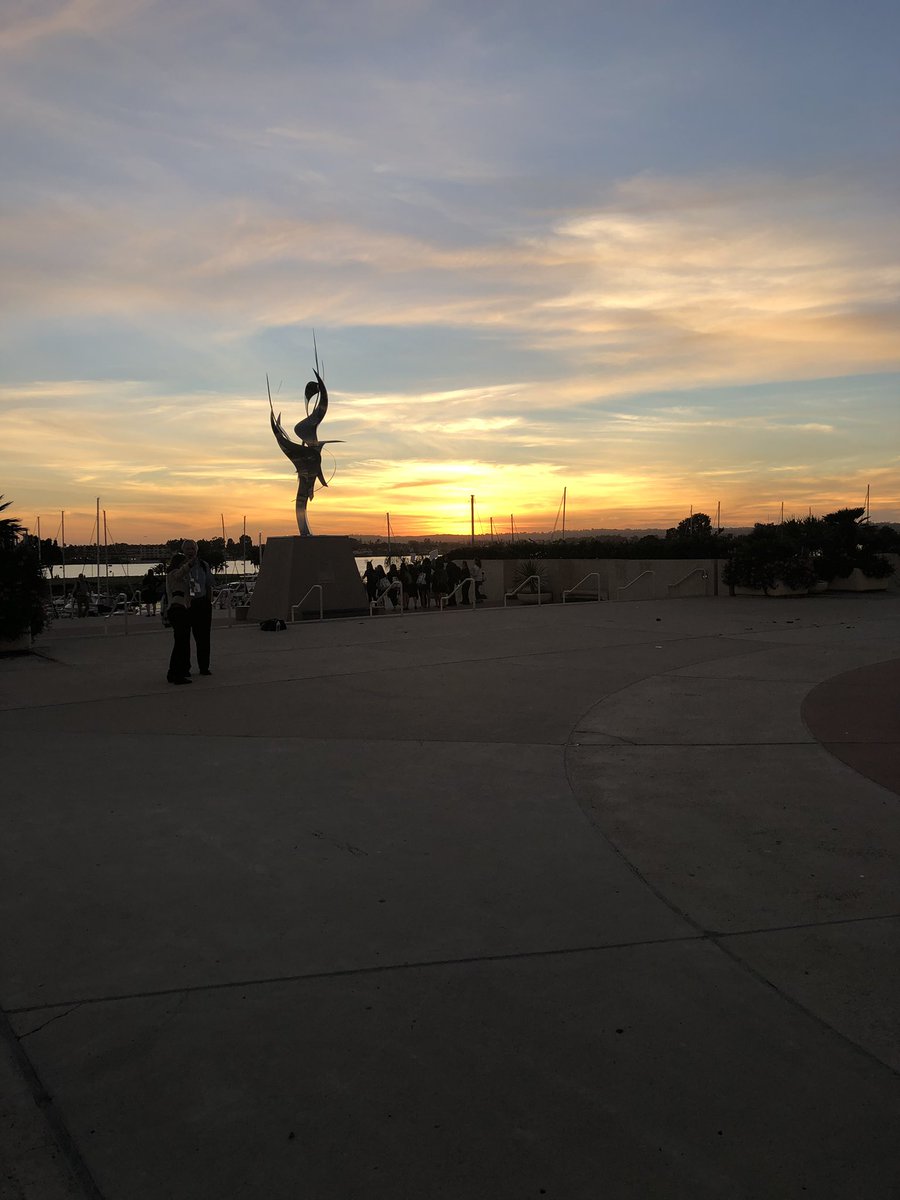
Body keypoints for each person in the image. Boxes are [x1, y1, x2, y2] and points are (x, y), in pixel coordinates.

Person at [182, 539, 214, 676]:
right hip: (186, 604)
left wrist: (209, 602)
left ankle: (204, 667)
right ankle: (185, 668)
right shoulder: (181, 566)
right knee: (184, 639)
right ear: (183, 551)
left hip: (202, 603)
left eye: (192, 549)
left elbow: (209, 584)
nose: (190, 551)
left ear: (196, 551)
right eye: (187, 549)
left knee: (204, 638)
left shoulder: (203, 565)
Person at [165, 553, 193, 684]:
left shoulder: (175, 575)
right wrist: (189, 564)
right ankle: (176, 673)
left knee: (180, 643)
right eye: (183, 562)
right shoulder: (174, 573)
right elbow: (179, 574)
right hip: (178, 610)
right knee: (180, 643)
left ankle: (174, 672)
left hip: (180, 609)